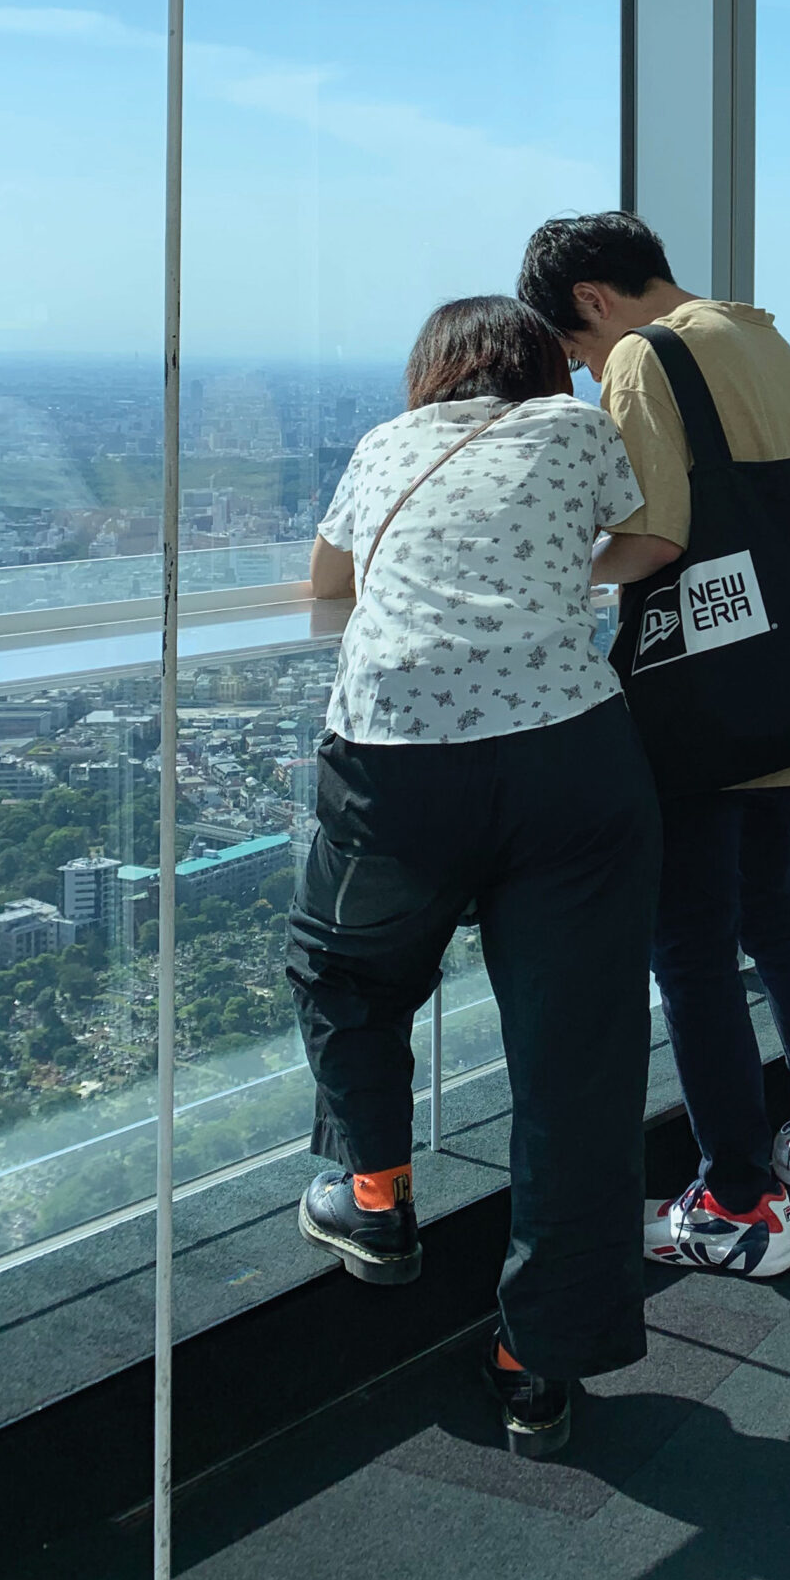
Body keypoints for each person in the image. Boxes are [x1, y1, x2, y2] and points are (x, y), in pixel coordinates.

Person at [286, 295, 676, 1458]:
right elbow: (648, 544)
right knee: (579, 1065)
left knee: (346, 972)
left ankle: (374, 1200)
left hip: (399, 759)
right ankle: (536, 1361)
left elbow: (326, 582)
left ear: (434, 370)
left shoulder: (383, 445)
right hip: (573, 764)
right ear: (540, 365)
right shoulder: (575, 430)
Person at [518, 212, 790, 1280]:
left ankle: (738, 1198)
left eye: (574, 353)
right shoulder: (760, 338)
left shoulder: (642, 353)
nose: (584, 375)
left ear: (589, 300)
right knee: (772, 906)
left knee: (688, 941)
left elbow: (658, 533)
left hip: (700, 697)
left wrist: (549, 570)